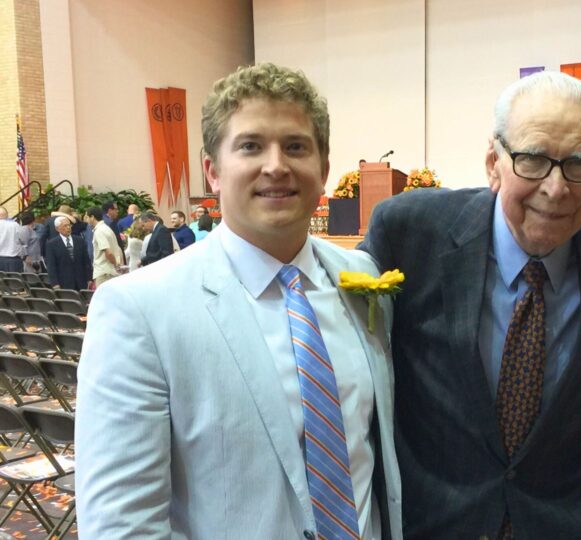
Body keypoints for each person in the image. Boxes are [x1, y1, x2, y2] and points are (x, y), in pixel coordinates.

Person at [77, 62, 402, 539]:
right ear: (213, 171)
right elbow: (121, 527)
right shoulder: (138, 311)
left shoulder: (362, 278)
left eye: (296, 146)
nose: (276, 165)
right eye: (251, 146)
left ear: (324, 170)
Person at [361, 71, 581, 539]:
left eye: (579, 164)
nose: (556, 189)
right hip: (434, 524)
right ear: (494, 162)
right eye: (532, 160)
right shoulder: (409, 234)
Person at [44, 215, 92, 290]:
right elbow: (51, 266)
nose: (68, 228)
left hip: (81, 282)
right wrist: (55, 283)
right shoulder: (52, 244)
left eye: (69, 225)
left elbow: (86, 261)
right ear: (57, 229)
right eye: (65, 226)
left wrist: (89, 278)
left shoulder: (80, 240)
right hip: (64, 283)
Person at [85, 207, 122, 286]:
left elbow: (108, 253)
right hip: (108, 271)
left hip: (104, 273)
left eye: (87, 217)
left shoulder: (99, 231)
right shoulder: (106, 228)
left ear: (92, 217)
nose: (86, 219)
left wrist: (116, 265)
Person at [0, 207, 26, 272]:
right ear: (7, 215)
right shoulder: (14, 225)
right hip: (13, 260)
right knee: (14, 281)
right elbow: (23, 240)